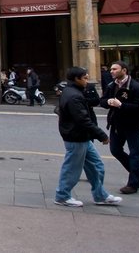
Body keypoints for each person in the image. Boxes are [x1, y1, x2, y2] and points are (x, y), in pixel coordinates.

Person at [54, 66, 121, 207]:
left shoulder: (72, 91)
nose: (87, 80)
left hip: (82, 136)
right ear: (76, 79)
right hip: (76, 137)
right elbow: (83, 120)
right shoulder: (73, 96)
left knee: (97, 165)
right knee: (72, 168)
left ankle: (100, 195)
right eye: (84, 78)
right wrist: (101, 135)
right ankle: (62, 196)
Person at [99, 60, 139, 195]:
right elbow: (103, 101)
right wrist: (108, 102)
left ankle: (133, 184)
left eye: (115, 69)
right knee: (115, 149)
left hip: (133, 125)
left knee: (135, 152)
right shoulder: (111, 85)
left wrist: (121, 105)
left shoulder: (136, 87)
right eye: (111, 69)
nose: (111, 71)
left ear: (124, 70)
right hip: (116, 124)